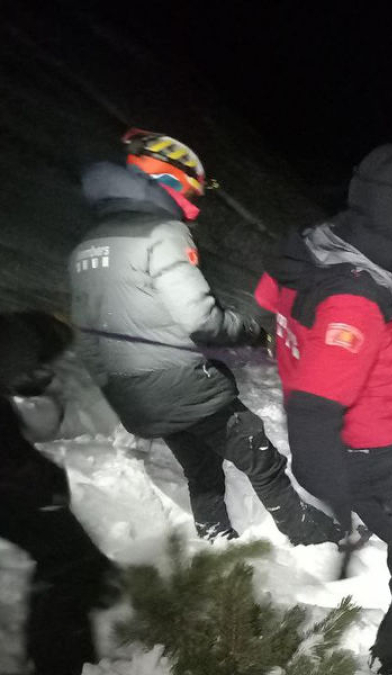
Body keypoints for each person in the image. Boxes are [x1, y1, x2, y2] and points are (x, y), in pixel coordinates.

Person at [254, 144, 392, 674]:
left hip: (372, 447)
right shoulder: (354, 296)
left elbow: (277, 312)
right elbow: (311, 413)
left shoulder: (328, 255)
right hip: (370, 458)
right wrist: (337, 504)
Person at [68, 128, 339, 545]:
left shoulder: (86, 245)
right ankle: (308, 536)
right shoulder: (161, 232)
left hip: (131, 396)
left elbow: (87, 339)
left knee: (199, 464)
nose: (195, 202)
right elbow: (201, 319)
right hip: (181, 386)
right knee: (258, 454)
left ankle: (214, 533)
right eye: (193, 192)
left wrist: (118, 387)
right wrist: (251, 333)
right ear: (170, 183)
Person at [0, 308, 120, 675]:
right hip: (4, 479)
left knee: (75, 563)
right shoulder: (10, 342)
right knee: (71, 565)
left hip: (8, 472)